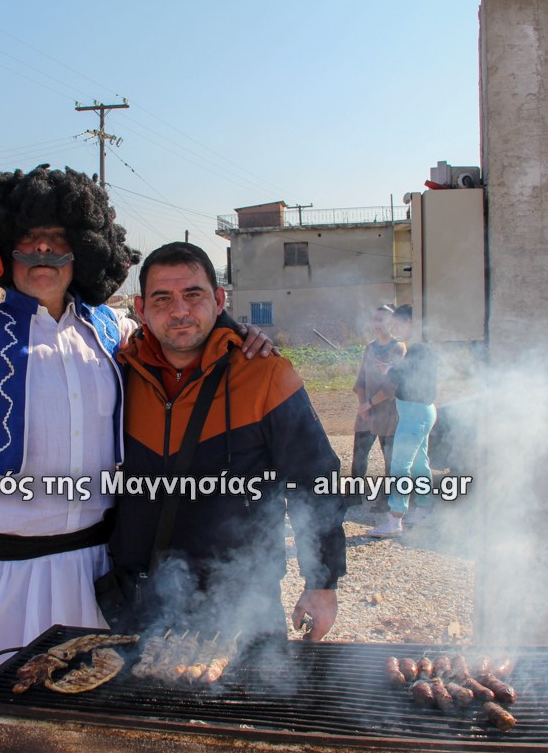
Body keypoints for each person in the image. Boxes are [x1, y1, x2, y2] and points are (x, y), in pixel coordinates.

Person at [109, 242, 347, 641]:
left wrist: (322, 581)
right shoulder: (118, 374)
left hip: (243, 600)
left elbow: (316, 478)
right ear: (141, 307)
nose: (179, 311)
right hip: (139, 599)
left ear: (219, 300)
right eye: (162, 298)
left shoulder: (265, 374)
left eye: (193, 295)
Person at [371, 304, 439, 537]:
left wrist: (390, 370)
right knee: (420, 464)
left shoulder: (418, 349)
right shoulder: (422, 347)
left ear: (409, 322)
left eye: (397, 324)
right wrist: (393, 369)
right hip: (420, 412)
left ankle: (395, 519)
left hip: (414, 414)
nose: (394, 329)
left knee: (400, 466)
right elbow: (410, 374)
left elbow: (407, 378)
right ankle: (424, 509)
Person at [352, 304, 405, 507]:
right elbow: (361, 380)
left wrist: (369, 404)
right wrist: (363, 406)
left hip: (387, 413)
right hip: (366, 411)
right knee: (359, 455)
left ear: (392, 322)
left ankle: (387, 499)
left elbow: (393, 385)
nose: (377, 324)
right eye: (375, 319)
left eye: (381, 319)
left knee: (390, 458)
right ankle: (354, 495)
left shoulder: (398, 348)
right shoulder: (369, 348)